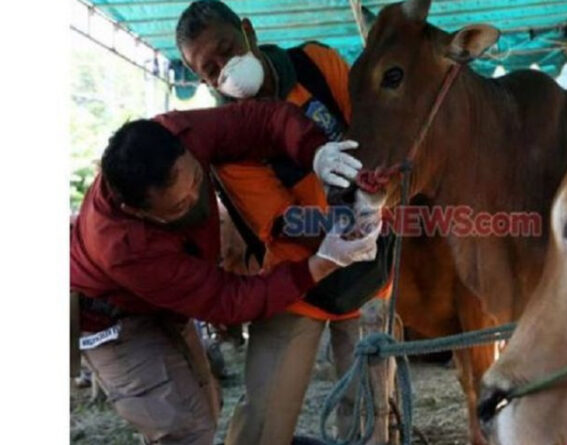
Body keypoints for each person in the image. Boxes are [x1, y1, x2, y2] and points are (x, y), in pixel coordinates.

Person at [70, 99, 380, 445]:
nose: (195, 199)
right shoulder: (123, 246)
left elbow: (259, 121)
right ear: (136, 211)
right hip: (113, 321)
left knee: (207, 405)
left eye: (197, 181)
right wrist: (323, 263)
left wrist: (315, 151)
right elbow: (227, 300)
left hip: (168, 304)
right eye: (179, 205)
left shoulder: (178, 132)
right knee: (184, 429)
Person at [174, 2, 392, 445]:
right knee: (264, 418)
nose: (227, 70)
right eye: (211, 68)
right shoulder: (226, 144)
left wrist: (375, 205)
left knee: (371, 411)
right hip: (297, 279)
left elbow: (373, 131)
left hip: (372, 271)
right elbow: (283, 220)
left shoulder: (315, 63)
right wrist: (348, 231)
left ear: (248, 33)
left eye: (228, 49)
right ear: (202, 80)